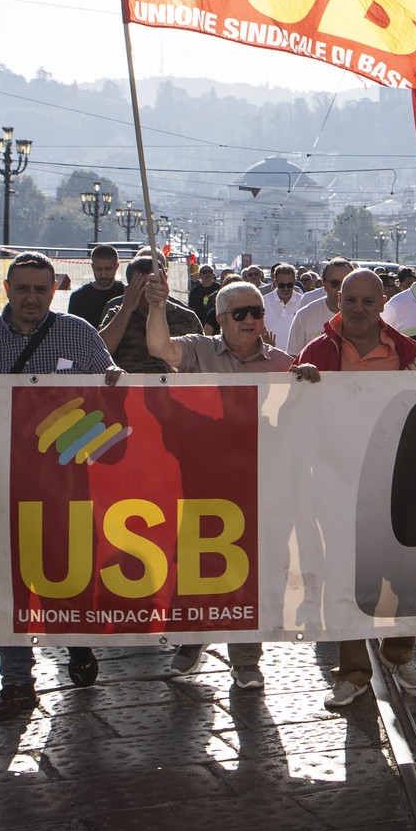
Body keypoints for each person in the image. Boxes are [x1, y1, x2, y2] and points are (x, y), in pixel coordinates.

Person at [0, 252, 123, 724]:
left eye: (40, 289)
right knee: (4, 582)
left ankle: (76, 642)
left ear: (53, 290)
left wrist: (118, 382)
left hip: (65, 487)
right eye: (23, 289)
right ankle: (16, 683)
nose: (31, 298)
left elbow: (114, 402)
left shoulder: (79, 333)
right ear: (8, 289)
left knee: (68, 573)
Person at [145, 273, 318, 685]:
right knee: (193, 561)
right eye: (240, 313)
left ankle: (245, 661)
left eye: (256, 312)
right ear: (221, 318)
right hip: (199, 477)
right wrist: (156, 304)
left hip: (255, 482)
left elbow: (303, 415)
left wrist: (310, 379)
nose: (250, 320)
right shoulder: (197, 350)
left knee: (248, 569)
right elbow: (158, 348)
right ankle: (193, 639)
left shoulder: (282, 363)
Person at [298, 269, 416, 706]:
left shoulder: (411, 353)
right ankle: (352, 670)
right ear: (339, 302)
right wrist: (302, 385)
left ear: (382, 303)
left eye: (368, 301)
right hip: (341, 486)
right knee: (348, 582)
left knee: (415, 576)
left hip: (401, 485)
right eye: (350, 300)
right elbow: (297, 420)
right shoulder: (316, 353)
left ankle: (399, 652)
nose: (358, 310)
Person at [99, 253, 201, 373]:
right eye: (141, 286)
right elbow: (100, 352)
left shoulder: (187, 318)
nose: (149, 293)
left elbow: (202, 360)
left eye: (154, 284)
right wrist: (126, 309)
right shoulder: (116, 314)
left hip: (172, 388)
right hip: (130, 388)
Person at [288, 257, 355, 356]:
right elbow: (293, 358)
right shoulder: (305, 315)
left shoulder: (365, 315)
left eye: (345, 283)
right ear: (324, 284)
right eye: (335, 283)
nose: (341, 289)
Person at [67, 244, 125, 326]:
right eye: (99, 269)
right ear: (92, 266)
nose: (103, 275)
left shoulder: (126, 294)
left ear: (117, 266)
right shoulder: (78, 297)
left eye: (108, 269)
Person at [261, 263, 305, 348]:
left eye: (289, 285)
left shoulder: (303, 302)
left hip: (296, 357)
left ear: (294, 282)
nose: (286, 289)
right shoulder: (263, 302)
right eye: (281, 285)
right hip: (270, 356)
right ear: (275, 283)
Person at [187, 264, 219, 332]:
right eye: (204, 272)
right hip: (200, 322)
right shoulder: (194, 291)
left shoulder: (219, 288)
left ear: (213, 274)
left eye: (210, 272)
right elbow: (192, 309)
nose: (207, 274)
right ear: (200, 275)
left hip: (216, 322)